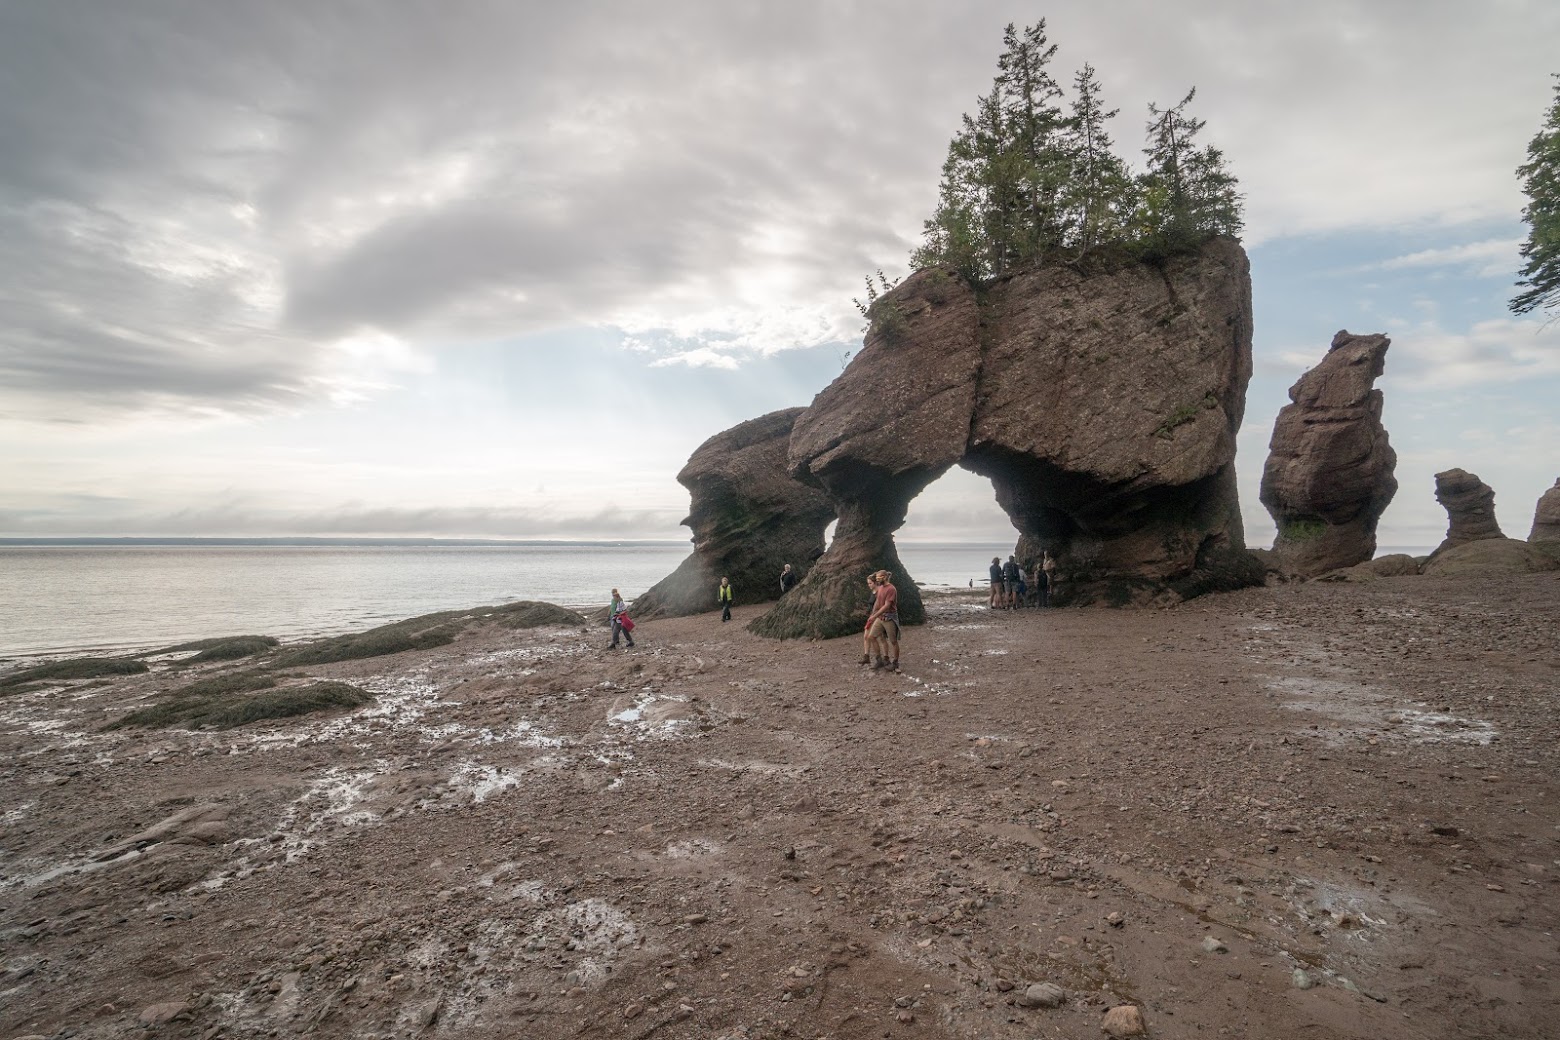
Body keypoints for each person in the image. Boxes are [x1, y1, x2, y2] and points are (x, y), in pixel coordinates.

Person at [867, 569, 900, 672]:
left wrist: (875, 615)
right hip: (880, 618)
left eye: (878, 578)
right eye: (876, 578)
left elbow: (887, 606)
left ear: (884, 577)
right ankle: (879, 660)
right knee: (871, 637)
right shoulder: (880, 588)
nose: (877, 580)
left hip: (889, 618)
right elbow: (877, 602)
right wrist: (873, 615)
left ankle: (895, 663)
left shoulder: (891, 589)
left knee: (893, 641)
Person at [858, 573, 879, 665]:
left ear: (875, 583)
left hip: (878, 617)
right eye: (868, 583)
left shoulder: (879, 592)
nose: (869, 585)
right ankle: (866, 656)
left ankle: (881, 658)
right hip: (871, 617)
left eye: (870, 583)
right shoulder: (873, 592)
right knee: (866, 636)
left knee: (879, 639)